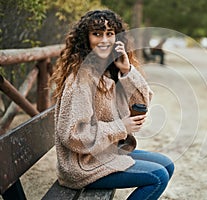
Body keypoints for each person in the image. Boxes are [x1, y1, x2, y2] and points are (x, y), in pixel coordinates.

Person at [49, 9, 174, 200]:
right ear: (85, 39)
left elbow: (142, 102)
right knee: (158, 176)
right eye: (97, 34)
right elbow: (72, 135)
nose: (104, 40)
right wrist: (120, 127)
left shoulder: (109, 71)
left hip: (106, 152)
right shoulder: (80, 80)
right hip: (83, 166)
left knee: (167, 164)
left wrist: (127, 70)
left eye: (109, 34)